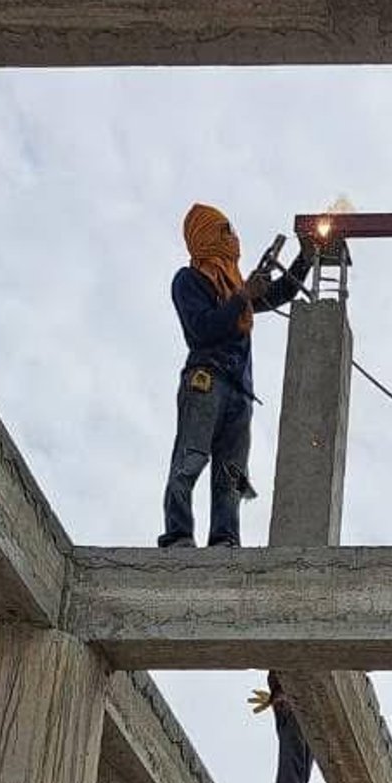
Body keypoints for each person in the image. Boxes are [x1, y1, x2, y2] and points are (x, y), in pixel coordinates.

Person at [160, 204, 316, 550]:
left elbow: (280, 294)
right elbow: (202, 330)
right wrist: (243, 296)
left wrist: (303, 259)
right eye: (224, 231)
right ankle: (178, 535)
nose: (232, 239)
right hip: (206, 382)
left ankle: (225, 541)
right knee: (190, 457)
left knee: (232, 473)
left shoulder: (233, 288)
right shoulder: (189, 281)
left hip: (239, 392)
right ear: (205, 236)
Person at [248, 672, 314, 783]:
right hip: (293, 694)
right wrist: (279, 693)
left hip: (307, 699)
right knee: (294, 764)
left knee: (302, 765)